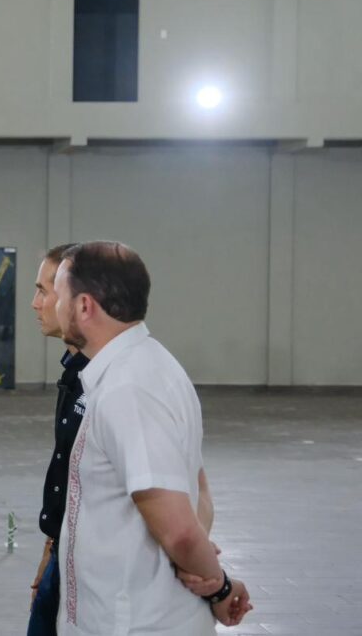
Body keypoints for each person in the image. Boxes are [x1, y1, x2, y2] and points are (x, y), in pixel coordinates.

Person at [53, 241, 252, 635]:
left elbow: (179, 530)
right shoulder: (147, 365)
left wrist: (219, 587)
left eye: (59, 295)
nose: (52, 306)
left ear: (84, 306)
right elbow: (197, 484)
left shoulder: (128, 388)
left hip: (136, 622)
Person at [26, 243, 86, 636]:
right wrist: (51, 551)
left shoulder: (108, 383)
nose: (36, 303)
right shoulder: (74, 374)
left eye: (43, 291)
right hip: (63, 551)